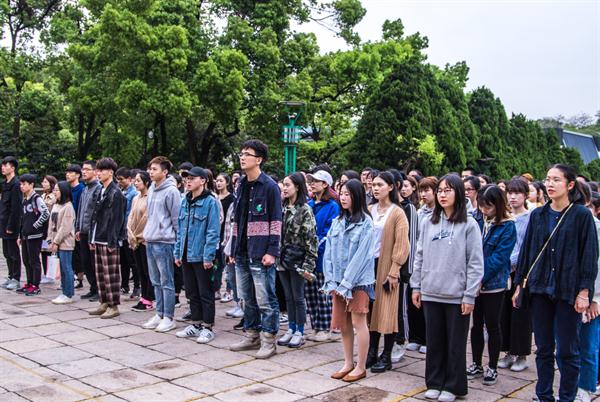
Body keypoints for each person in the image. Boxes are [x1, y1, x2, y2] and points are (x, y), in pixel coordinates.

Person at [513, 164, 598, 402]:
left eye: (556, 180)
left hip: (568, 289)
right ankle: (543, 395)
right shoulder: (538, 215)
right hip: (540, 287)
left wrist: (585, 291)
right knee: (543, 348)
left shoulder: (581, 216)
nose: (549, 184)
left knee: (568, 350)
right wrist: (519, 284)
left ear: (570, 185)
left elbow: (589, 256)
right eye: (548, 179)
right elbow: (527, 251)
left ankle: (567, 397)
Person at [411, 174, 484, 402]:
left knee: (455, 344)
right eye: (440, 190)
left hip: (456, 295)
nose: (442, 195)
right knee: (434, 342)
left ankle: (453, 386)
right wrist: (416, 286)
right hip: (431, 291)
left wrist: (469, 295)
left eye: (448, 190)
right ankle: (434, 382)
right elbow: (419, 255)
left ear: (458, 193)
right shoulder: (428, 222)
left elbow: (475, 263)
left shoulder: (469, 224)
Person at [229, 140, 282, 359]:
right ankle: (252, 336)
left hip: (261, 252)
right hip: (242, 250)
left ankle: (269, 340)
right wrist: (233, 248)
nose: (242, 157)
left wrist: (272, 251)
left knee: (265, 299)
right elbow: (237, 218)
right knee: (246, 297)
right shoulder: (241, 184)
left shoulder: (270, 186)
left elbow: (276, 221)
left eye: (247, 154)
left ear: (258, 159)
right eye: (241, 153)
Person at [323, 178, 375, 382]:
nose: (343, 198)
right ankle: (347, 363)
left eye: (348, 194)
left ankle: (361, 366)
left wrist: (347, 283)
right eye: (341, 194)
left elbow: (362, 256)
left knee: (358, 322)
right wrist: (331, 279)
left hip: (358, 281)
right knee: (343, 324)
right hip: (337, 281)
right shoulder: (337, 222)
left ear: (357, 196)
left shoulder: (366, 223)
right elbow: (328, 252)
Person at [467, 185, 516, 386]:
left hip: (494, 284)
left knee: (493, 325)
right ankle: (476, 363)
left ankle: (493, 366)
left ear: (498, 205)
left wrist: (480, 278)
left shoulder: (507, 226)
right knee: (476, 325)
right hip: (474, 282)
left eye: (488, 207)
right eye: (482, 206)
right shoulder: (476, 219)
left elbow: (499, 258)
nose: (484, 210)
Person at [367, 172, 410, 373]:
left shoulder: (397, 212)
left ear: (391, 187)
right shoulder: (370, 210)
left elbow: (402, 245)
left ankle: (387, 354)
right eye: (374, 185)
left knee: (387, 311)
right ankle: (371, 351)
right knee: (371, 310)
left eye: (380, 185)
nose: (376, 188)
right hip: (369, 266)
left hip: (387, 266)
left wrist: (394, 271)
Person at [174, 167, 221, 343]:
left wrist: (208, 256)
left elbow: (213, 231)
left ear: (203, 181)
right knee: (191, 292)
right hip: (186, 254)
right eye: (187, 179)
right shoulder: (185, 201)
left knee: (205, 292)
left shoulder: (210, 202)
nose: (188, 181)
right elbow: (180, 230)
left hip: (201, 255)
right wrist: (177, 252)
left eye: (192, 178)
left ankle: (207, 327)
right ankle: (195, 324)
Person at [276, 172, 318, 348]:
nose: (284, 188)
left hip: (298, 260)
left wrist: (308, 265)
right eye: (284, 185)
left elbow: (311, 239)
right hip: (282, 259)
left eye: (288, 185)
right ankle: (291, 328)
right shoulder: (282, 207)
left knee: (298, 297)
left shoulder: (305, 209)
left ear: (297, 187)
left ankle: (300, 331)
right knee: (288, 296)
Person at [142, 156, 181, 333]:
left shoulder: (172, 192)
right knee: (155, 281)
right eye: (150, 169)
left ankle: (168, 317)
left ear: (164, 172)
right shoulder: (151, 188)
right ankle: (159, 313)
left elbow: (176, 220)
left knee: (167, 281)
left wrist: (177, 244)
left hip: (165, 242)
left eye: (154, 169)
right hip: (150, 240)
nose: (150, 172)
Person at [498, 177, 532, 373]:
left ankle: (521, 355)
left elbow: (527, 247)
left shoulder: (531, 218)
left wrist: (509, 262)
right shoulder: (505, 216)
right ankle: (508, 352)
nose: (513, 197)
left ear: (525, 195)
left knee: (520, 315)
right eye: (510, 193)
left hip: (521, 271)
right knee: (504, 315)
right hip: (504, 271)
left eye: (517, 193)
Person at [87, 158, 126, 319]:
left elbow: (117, 219)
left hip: (108, 238)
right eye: (98, 170)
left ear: (110, 172)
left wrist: (113, 240)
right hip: (98, 236)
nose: (99, 173)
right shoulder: (100, 190)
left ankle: (113, 305)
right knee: (100, 273)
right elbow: (94, 216)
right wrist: (91, 237)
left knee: (111, 274)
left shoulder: (116, 193)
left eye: (102, 170)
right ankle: (104, 301)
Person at [572, 183, 600, 402]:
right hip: (566, 295)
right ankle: (571, 387)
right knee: (568, 347)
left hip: (590, 297)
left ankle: (586, 388)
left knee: (588, 346)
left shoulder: (595, 226)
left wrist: (595, 298)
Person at [305, 169, 339, 342]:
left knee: (323, 292)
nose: (312, 184)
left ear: (325, 184)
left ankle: (325, 328)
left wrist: (315, 246)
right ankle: (316, 326)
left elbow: (329, 232)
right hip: (307, 257)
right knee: (310, 293)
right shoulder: (309, 204)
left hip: (323, 256)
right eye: (311, 181)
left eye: (316, 181)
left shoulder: (333, 206)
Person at [17, 174, 50, 296]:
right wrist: (20, 234)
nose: (22, 186)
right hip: (25, 235)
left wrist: (35, 226)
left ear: (31, 185)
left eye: (24, 184)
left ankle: (36, 285)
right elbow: (23, 218)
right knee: (26, 260)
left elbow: (46, 213)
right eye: (21, 184)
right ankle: (29, 283)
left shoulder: (36, 198)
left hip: (35, 236)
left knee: (34, 260)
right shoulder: (25, 199)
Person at [128, 171, 154, 312]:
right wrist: (131, 233)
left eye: (138, 180)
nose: (135, 183)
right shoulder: (135, 198)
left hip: (145, 239)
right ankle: (143, 298)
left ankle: (148, 299)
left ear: (146, 182)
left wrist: (138, 235)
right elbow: (131, 217)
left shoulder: (151, 197)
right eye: (135, 180)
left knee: (147, 271)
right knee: (140, 270)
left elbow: (146, 219)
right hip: (135, 240)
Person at [76, 161, 101, 301]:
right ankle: (93, 288)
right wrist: (78, 228)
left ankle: (99, 289)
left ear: (95, 171)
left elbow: (96, 214)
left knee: (94, 263)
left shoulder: (98, 189)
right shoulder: (85, 189)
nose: (84, 172)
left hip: (93, 233)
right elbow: (81, 210)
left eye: (87, 169)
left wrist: (93, 233)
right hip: (83, 231)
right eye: (83, 169)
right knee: (85, 262)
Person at [48, 181, 77, 304]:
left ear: (64, 191)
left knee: (66, 268)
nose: (54, 192)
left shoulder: (68, 207)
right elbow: (51, 224)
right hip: (56, 241)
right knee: (62, 269)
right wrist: (50, 240)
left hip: (65, 243)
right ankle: (64, 291)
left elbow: (65, 227)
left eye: (57, 190)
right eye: (54, 189)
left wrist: (56, 241)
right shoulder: (56, 205)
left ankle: (68, 294)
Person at [116, 167, 139, 297]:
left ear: (129, 179)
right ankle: (124, 285)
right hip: (120, 231)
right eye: (118, 180)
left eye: (121, 179)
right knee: (123, 261)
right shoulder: (120, 191)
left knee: (132, 261)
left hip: (129, 231)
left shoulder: (133, 193)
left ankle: (137, 286)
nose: (119, 182)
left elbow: (131, 214)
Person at [0, 156, 23, 290]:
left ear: (13, 168)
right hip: (3, 223)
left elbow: (16, 209)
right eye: (2, 165)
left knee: (14, 253)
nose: (3, 168)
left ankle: (16, 278)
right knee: (6, 253)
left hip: (11, 225)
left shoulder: (16, 185)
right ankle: (10, 276)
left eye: (6, 165)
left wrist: (11, 226)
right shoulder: (5, 184)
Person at [215, 172, 235, 302]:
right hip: (216, 234)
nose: (218, 183)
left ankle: (228, 291)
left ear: (227, 182)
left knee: (227, 264)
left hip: (227, 234)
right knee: (216, 264)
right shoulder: (214, 198)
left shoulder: (232, 198)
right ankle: (216, 289)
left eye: (221, 181)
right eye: (217, 181)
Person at [65, 163, 85, 288]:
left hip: (77, 226)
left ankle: (80, 278)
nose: (67, 174)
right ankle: (71, 276)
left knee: (78, 253)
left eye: (70, 172)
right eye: (67, 172)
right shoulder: (67, 189)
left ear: (78, 175)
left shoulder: (82, 189)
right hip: (67, 225)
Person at [40, 175, 57, 284]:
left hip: (50, 227)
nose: (43, 184)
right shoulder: (42, 196)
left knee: (49, 251)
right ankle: (46, 272)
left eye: (46, 182)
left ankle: (50, 275)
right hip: (42, 228)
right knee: (43, 250)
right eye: (43, 182)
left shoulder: (53, 197)